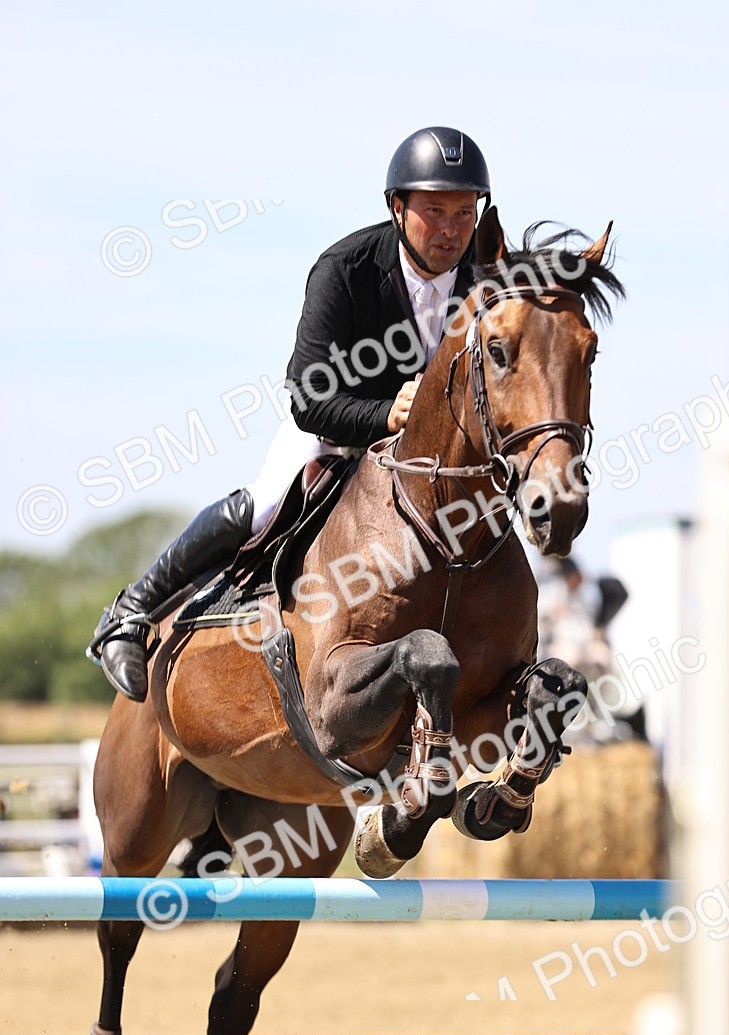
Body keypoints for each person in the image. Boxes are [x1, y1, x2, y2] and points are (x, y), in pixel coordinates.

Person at [89, 127, 491, 703]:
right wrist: (384, 415)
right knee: (265, 503)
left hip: (428, 462)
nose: (452, 230)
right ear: (397, 207)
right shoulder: (345, 269)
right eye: (435, 212)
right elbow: (308, 401)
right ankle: (131, 611)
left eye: (464, 212)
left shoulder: (485, 277)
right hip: (337, 433)